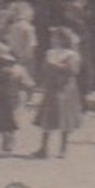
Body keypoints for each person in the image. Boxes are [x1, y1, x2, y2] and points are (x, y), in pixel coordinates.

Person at [31, 27, 84, 158]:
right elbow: (44, 69)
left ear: (63, 39)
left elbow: (73, 71)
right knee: (47, 117)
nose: (52, 39)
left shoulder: (71, 54)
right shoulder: (50, 52)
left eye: (55, 37)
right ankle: (44, 148)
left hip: (66, 88)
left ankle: (63, 149)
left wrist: (55, 66)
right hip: (52, 87)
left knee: (64, 118)